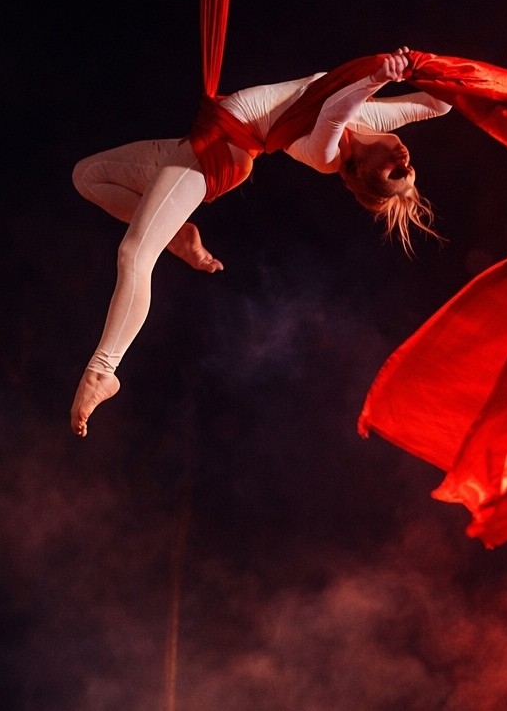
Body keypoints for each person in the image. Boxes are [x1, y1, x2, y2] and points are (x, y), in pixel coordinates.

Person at [68, 48, 450, 436]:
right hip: (204, 134)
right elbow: (438, 103)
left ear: (364, 171)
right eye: (409, 171)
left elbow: (334, 111)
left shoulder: (329, 154)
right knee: (89, 176)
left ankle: (103, 371)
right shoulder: (371, 118)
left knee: (135, 253)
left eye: (394, 173)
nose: (405, 162)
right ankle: (178, 234)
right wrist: (418, 66)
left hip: (218, 152)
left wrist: (378, 77)